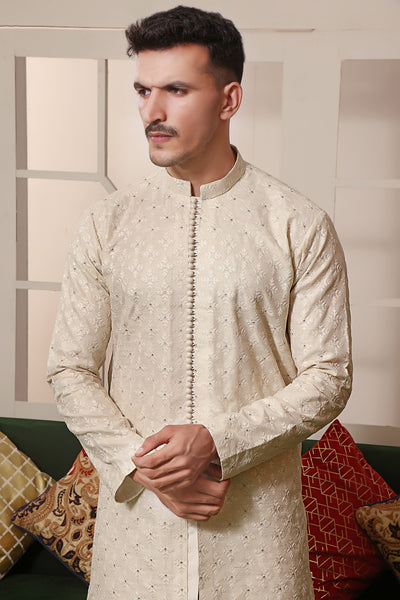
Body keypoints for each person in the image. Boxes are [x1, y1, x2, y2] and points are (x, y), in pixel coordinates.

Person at [47, 5, 352, 600]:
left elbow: (329, 376)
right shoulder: (107, 224)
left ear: (229, 99)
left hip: (257, 544)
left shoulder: (298, 225)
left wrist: (217, 440)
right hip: (137, 540)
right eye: (144, 91)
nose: (152, 112)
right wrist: (145, 467)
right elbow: (70, 368)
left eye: (177, 90)